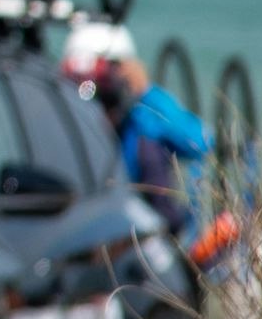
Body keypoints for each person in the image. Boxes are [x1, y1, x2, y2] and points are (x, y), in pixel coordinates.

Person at [61, 21, 207, 236]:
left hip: (149, 231)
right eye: (83, 89)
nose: (97, 109)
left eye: (105, 93)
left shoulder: (141, 124)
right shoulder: (68, 129)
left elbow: (200, 141)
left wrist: (145, 91)